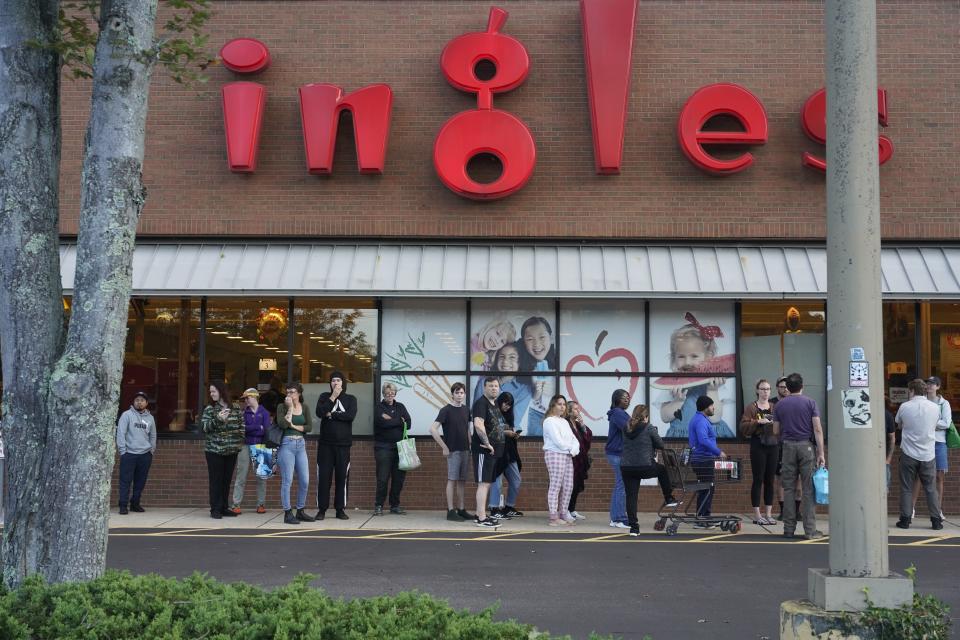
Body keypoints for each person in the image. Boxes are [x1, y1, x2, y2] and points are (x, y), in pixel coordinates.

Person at [660, 313, 734, 439]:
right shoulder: (674, 384)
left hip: (709, 434)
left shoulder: (715, 383)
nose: (688, 362)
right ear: (674, 358)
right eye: (681, 356)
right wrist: (677, 401)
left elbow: (715, 417)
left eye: (694, 356)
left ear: (708, 356)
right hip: (682, 436)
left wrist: (712, 390)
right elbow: (665, 417)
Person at [771, 372, 825, 540]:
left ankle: (788, 529)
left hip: (787, 447)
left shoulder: (779, 405)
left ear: (788, 387)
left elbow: (775, 431)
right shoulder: (810, 403)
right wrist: (821, 452)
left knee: (788, 488)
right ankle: (810, 531)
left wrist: (785, 439)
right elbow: (817, 429)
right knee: (808, 489)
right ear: (802, 386)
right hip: (806, 447)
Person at [621, 404, 678, 536]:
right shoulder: (648, 427)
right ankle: (668, 497)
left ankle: (634, 528)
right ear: (646, 417)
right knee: (663, 470)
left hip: (627, 468)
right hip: (645, 466)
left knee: (631, 497)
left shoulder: (625, 428)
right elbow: (660, 445)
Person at [896, 378, 944, 530]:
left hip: (908, 453)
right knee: (930, 488)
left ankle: (905, 520)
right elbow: (936, 424)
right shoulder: (935, 408)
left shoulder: (905, 406)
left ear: (911, 391)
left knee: (906, 487)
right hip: (928, 454)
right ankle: (936, 521)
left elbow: (899, 424)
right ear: (924, 390)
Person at [429, 382, 475, 522]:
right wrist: (444, 447)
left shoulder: (466, 410)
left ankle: (461, 509)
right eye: (457, 393)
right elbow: (432, 429)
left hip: (465, 450)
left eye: (462, 393)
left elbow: (467, 429)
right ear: (452, 394)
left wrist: (470, 444)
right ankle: (450, 510)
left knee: (462, 481)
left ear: (464, 394)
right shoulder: (446, 410)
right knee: (452, 479)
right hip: (453, 451)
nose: (459, 395)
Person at [315, 370, 357, 521]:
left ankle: (340, 509)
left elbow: (350, 416)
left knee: (342, 478)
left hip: (343, 445)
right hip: (325, 445)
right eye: (333, 380)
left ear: (343, 383)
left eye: (338, 380)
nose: (335, 383)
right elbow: (320, 412)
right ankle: (322, 509)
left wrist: (332, 414)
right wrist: (332, 397)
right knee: (324, 478)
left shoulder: (351, 399)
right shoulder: (324, 397)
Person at [200, 381, 244, 519]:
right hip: (214, 450)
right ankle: (215, 509)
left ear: (222, 391)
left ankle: (224, 507)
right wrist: (218, 419)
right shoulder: (210, 409)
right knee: (216, 480)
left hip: (232, 450)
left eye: (214, 391)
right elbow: (204, 428)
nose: (211, 394)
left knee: (226, 480)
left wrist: (239, 440)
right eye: (210, 392)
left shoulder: (235, 408)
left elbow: (241, 425)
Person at [911, 376, 951, 516]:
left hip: (939, 443)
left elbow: (946, 423)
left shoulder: (944, 403)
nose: (929, 386)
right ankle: (911, 509)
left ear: (938, 387)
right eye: (928, 383)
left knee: (939, 477)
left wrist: (929, 423)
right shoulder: (921, 401)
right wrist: (933, 423)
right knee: (918, 475)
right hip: (924, 441)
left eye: (933, 384)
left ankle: (937, 510)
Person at [739, 379, 777, 525]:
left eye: (767, 389)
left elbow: (782, 425)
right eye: (762, 389)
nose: (765, 392)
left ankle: (768, 514)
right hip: (758, 444)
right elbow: (743, 427)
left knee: (770, 480)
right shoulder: (751, 407)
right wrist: (757, 422)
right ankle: (757, 514)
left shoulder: (774, 407)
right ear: (757, 391)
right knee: (758, 479)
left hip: (773, 445)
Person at [472, 343, 533, 431]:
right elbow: (477, 414)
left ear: (519, 362)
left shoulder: (525, 390)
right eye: (501, 356)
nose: (505, 362)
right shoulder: (484, 382)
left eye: (512, 357)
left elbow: (513, 420)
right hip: (483, 433)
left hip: (506, 435)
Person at [276, 382, 314, 525]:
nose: (289, 394)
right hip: (287, 445)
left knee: (305, 480)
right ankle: (287, 512)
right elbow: (283, 425)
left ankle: (300, 510)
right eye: (287, 392)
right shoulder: (282, 407)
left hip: (301, 445)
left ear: (299, 393)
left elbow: (309, 427)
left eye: (292, 392)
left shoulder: (305, 407)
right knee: (288, 480)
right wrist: (290, 408)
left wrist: (295, 426)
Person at [471, 376, 506, 527]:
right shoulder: (481, 403)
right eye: (490, 386)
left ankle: (480, 514)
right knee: (483, 484)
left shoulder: (494, 404)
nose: (493, 388)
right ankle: (481, 518)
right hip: (484, 450)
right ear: (484, 387)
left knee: (487, 483)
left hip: (493, 452)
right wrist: (487, 444)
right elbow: (478, 425)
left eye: (496, 386)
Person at [230, 388, 271, 515]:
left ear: (254, 397)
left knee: (261, 477)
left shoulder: (264, 412)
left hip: (261, 445)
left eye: (247, 398)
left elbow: (266, 430)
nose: (246, 400)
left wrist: (252, 429)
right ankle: (236, 504)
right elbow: (242, 429)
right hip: (245, 445)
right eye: (245, 399)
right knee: (241, 475)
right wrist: (257, 427)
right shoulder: (244, 413)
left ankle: (261, 504)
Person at [373, 382, 411, 516]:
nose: (390, 395)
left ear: (395, 394)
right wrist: (399, 421)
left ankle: (394, 505)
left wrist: (391, 420)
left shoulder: (400, 406)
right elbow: (381, 423)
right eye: (388, 393)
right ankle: (378, 505)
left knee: (398, 479)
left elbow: (409, 422)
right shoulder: (379, 407)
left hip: (400, 448)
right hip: (383, 448)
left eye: (392, 393)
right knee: (382, 478)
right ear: (384, 394)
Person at [116, 391, 157, 514]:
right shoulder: (126, 415)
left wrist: (151, 449)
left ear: (146, 403)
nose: (139, 402)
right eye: (137, 400)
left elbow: (153, 435)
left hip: (145, 455)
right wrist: (123, 450)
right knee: (125, 481)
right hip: (129, 454)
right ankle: (123, 505)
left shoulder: (150, 418)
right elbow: (121, 433)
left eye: (142, 400)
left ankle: (135, 503)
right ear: (133, 402)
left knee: (140, 481)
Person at [688, 395, 726, 526]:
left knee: (705, 488)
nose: (713, 407)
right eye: (711, 405)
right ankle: (703, 518)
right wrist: (718, 452)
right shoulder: (701, 421)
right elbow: (703, 440)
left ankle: (702, 517)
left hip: (700, 459)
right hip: (703, 459)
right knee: (708, 488)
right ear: (705, 407)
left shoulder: (699, 419)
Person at [542, 395, 580, 526]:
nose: (562, 406)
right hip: (554, 454)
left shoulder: (564, 422)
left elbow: (574, 439)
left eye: (564, 404)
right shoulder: (549, 421)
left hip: (568, 455)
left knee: (568, 486)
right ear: (553, 405)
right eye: (559, 404)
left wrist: (574, 450)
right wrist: (569, 448)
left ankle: (563, 512)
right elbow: (557, 440)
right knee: (556, 485)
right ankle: (553, 517)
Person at [517, 316, 557, 435]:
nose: (537, 344)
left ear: (551, 337)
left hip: (557, 413)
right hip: (536, 413)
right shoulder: (521, 365)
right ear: (524, 342)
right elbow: (530, 398)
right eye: (530, 339)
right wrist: (537, 392)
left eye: (542, 337)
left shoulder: (560, 361)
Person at [488, 391, 524, 520]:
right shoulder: (493, 413)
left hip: (510, 454)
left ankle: (509, 507)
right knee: (496, 483)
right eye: (505, 403)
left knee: (516, 480)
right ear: (500, 401)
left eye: (509, 405)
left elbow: (508, 432)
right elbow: (490, 432)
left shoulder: (510, 416)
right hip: (497, 454)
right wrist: (505, 433)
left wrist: (514, 435)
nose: (506, 407)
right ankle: (494, 508)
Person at [605, 389, 631, 529]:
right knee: (621, 486)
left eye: (628, 397)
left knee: (620, 485)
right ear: (616, 399)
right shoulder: (618, 413)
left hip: (616, 453)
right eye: (624, 397)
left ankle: (616, 518)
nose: (627, 399)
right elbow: (629, 428)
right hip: (617, 454)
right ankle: (618, 518)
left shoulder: (619, 413)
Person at [567, 400, 593, 520]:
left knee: (576, 485)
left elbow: (588, 437)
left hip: (580, 460)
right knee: (569, 485)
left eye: (578, 409)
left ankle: (572, 509)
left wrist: (582, 425)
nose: (578, 411)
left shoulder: (577, 424)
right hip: (570, 459)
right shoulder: (566, 423)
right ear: (569, 410)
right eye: (576, 409)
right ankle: (565, 510)